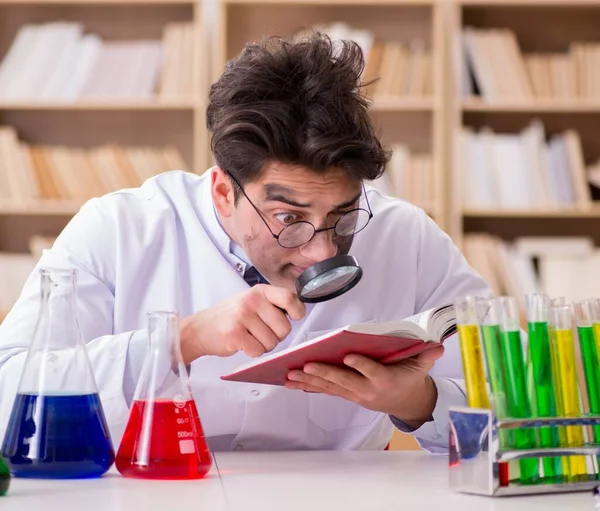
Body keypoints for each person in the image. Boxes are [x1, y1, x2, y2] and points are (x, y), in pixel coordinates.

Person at [0, 32, 490, 453]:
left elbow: (525, 407)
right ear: (223, 191)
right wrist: (179, 341)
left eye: (342, 217)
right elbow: (8, 393)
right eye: (288, 218)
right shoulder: (119, 228)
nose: (321, 253)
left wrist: (418, 402)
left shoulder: (406, 236)